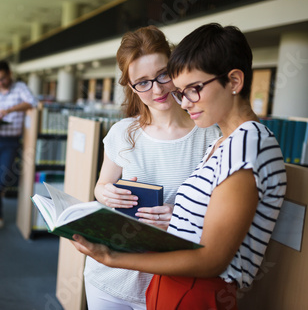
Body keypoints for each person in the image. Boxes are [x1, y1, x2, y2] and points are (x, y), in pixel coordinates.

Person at [72, 23, 287, 310]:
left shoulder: (240, 143)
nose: (183, 101)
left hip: (188, 284)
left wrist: (112, 257)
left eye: (192, 88)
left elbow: (212, 259)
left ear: (234, 82)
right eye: (183, 90)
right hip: (162, 282)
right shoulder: (225, 142)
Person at [83, 26, 221, 309]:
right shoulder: (123, 132)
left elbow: (223, 212)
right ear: (131, 87)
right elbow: (101, 186)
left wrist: (181, 216)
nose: (157, 89)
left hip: (172, 280)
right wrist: (105, 194)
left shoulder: (212, 134)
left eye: (163, 75)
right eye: (142, 82)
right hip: (111, 276)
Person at [0, 60, 37, 233]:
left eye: (2, 79)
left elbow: (32, 102)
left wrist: (9, 110)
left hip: (10, 142)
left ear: (9, 73)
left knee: (2, 180)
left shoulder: (20, 87)